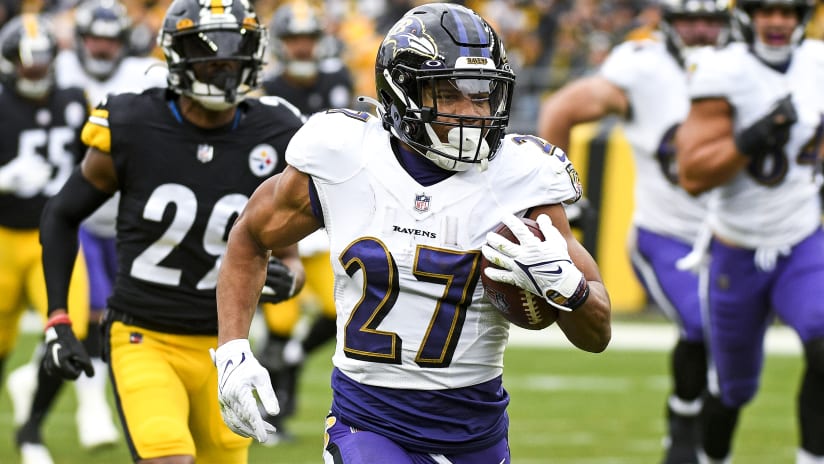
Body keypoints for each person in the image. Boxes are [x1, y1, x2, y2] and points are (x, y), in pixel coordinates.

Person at [213, 3, 612, 461]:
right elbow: (250, 235)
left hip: (476, 431)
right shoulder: (344, 155)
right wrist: (233, 351)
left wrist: (568, 287)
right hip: (369, 420)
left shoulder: (524, 179)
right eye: (448, 94)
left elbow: (597, 334)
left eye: (482, 95)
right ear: (403, 93)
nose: (470, 112)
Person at [36, 0, 305, 461]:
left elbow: (292, 260)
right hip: (144, 334)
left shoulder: (277, 129)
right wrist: (59, 318)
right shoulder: (134, 122)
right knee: (169, 456)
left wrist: (287, 279)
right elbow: (61, 214)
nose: (225, 67)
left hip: (227, 348)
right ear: (177, 56)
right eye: (210, 54)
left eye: (235, 52)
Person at [537, 1, 730, 462]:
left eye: (710, 19)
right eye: (689, 19)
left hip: (731, 237)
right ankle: (685, 422)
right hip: (667, 235)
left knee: (724, 344)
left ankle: (691, 421)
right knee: (704, 325)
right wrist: (558, 199)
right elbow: (561, 109)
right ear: (668, 21)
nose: (701, 30)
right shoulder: (643, 67)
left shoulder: (745, 66)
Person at [7, 0, 169, 452]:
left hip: (125, 218)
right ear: (77, 41)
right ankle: (89, 410)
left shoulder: (143, 73)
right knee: (87, 319)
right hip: (73, 217)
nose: (101, 47)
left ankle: (45, 389)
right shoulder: (59, 78)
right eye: (94, 38)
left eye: (110, 38)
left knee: (106, 318)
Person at [675, 0, 824, 462]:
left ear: (802, 18)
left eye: (788, 12)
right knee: (732, 390)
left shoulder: (818, 62)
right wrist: (749, 138)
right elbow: (693, 175)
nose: (777, 22)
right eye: (767, 11)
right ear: (750, 15)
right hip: (735, 249)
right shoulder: (722, 69)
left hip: (802, 238)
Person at [256, 0, 354, 443]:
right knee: (279, 321)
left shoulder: (337, 80)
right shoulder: (268, 88)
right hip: (287, 215)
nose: (301, 47)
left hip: (328, 215)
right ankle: (269, 414)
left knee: (340, 312)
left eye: (308, 38)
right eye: (294, 39)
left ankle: (294, 356)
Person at [0, 12, 92, 464]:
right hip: (1, 239)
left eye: (41, 62)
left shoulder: (76, 99)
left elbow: (98, 167)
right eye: (26, 64)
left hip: (53, 240)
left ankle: (31, 426)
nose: (34, 71)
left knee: (68, 333)